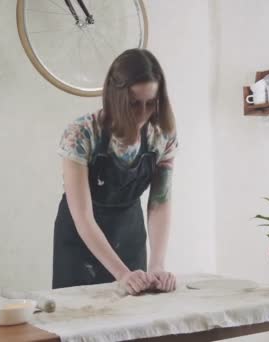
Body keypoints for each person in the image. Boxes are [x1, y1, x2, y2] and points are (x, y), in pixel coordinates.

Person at [52, 49, 178, 295]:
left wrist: (157, 264)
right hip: (81, 244)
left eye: (150, 104)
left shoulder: (161, 135)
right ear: (115, 97)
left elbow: (159, 203)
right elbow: (83, 218)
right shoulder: (81, 134)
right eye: (133, 104)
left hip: (129, 234)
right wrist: (121, 273)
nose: (143, 114)